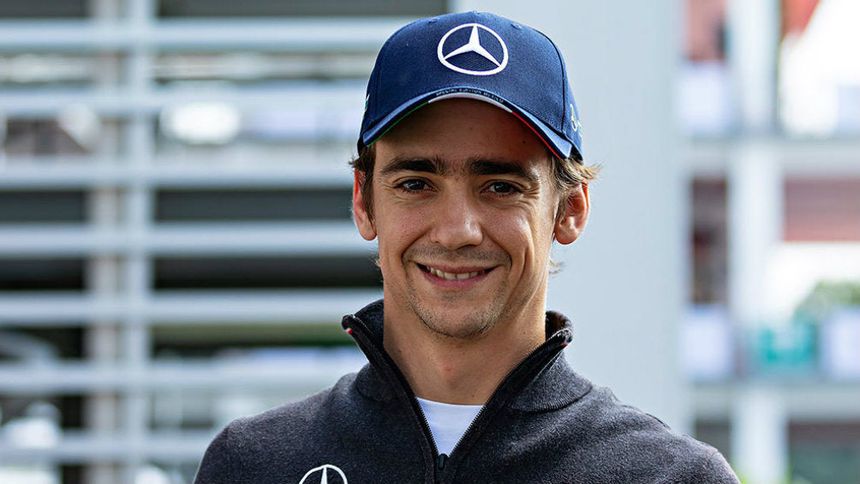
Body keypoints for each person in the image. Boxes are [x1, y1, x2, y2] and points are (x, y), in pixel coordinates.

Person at [194, 11, 739, 484]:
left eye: (500, 186)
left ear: (569, 209)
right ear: (364, 202)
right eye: (416, 183)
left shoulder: (669, 476)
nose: (457, 231)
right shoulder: (254, 466)